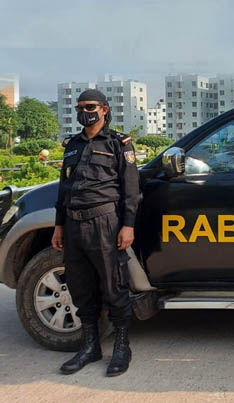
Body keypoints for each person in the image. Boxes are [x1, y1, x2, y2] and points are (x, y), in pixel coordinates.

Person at [51, 89, 140, 377]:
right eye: (79, 107)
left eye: (89, 106)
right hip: (75, 225)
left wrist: (128, 225)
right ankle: (90, 347)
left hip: (105, 224)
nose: (83, 112)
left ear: (103, 109)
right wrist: (59, 224)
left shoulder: (119, 143)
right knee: (80, 288)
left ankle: (122, 348)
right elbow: (64, 189)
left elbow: (130, 190)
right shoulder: (72, 146)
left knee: (114, 286)